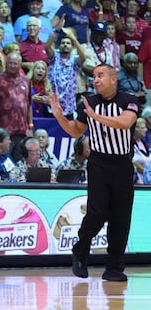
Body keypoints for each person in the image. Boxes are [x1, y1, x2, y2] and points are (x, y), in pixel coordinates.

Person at [50, 63, 139, 281]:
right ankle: (80, 251)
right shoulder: (88, 102)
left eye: (100, 75)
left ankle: (114, 268)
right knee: (97, 212)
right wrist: (60, 116)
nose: (96, 80)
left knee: (121, 218)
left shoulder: (129, 100)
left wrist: (95, 116)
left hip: (123, 165)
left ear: (113, 79)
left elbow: (125, 123)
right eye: (94, 76)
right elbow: (75, 131)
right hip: (98, 163)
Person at [0, 52, 33, 161]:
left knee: (19, 161)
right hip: (4, 130)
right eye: (10, 63)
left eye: (15, 63)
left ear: (20, 64)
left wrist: (30, 126)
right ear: (6, 63)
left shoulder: (26, 81)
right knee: (4, 161)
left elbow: (28, 105)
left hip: (22, 130)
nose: (12, 66)